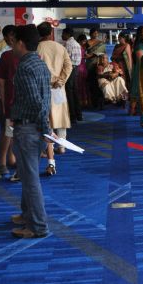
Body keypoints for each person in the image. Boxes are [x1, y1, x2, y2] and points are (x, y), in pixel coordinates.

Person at [9, 24, 52, 238]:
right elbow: (44, 101)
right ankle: (28, 215)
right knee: (28, 175)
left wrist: (45, 129)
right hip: (35, 128)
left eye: (13, 42)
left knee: (30, 179)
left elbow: (36, 102)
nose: (11, 46)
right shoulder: (40, 64)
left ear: (20, 43)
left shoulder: (25, 67)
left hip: (29, 128)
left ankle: (37, 226)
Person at [37, 22, 72, 176]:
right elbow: (68, 66)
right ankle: (61, 145)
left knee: (45, 117)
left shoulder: (37, 48)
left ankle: (45, 148)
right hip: (58, 86)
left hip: (42, 87)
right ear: (51, 33)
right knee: (60, 115)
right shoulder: (60, 47)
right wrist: (61, 80)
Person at [0, 26, 19, 178]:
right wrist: (3, 102)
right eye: (9, 35)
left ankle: (10, 158)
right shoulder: (3, 54)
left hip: (14, 99)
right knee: (7, 131)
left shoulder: (19, 52)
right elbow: (0, 81)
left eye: (14, 35)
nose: (12, 38)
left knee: (13, 132)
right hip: (5, 99)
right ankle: (2, 163)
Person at [62, 28, 83, 123]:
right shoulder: (77, 44)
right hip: (76, 68)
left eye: (63, 34)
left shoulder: (68, 44)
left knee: (69, 92)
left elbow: (65, 59)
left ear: (67, 34)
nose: (62, 36)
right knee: (75, 92)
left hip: (70, 69)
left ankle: (72, 116)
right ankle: (79, 115)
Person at [85, 28, 106, 110]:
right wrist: (88, 55)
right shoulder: (87, 42)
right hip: (89, 65)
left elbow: (103, 53)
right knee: (92, 84)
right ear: (91, 34)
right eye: (94, 33)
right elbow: (84, 52)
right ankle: (94, 102)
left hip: (98, 65)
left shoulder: (100, 43)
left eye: (97, 33)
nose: (96, 34)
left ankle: (101, 102)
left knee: (99, 83)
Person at [76, 34, 90, 108]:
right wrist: (86, 56)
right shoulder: (78, 47)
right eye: (84, 41)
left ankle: (84, 101)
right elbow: (79, 57)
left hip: (83, 66)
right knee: (80, 84)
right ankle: (81, 101)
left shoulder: (81, 47)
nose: (84, 42)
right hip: (80, 66)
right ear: (80, 40)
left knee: (83, 84)